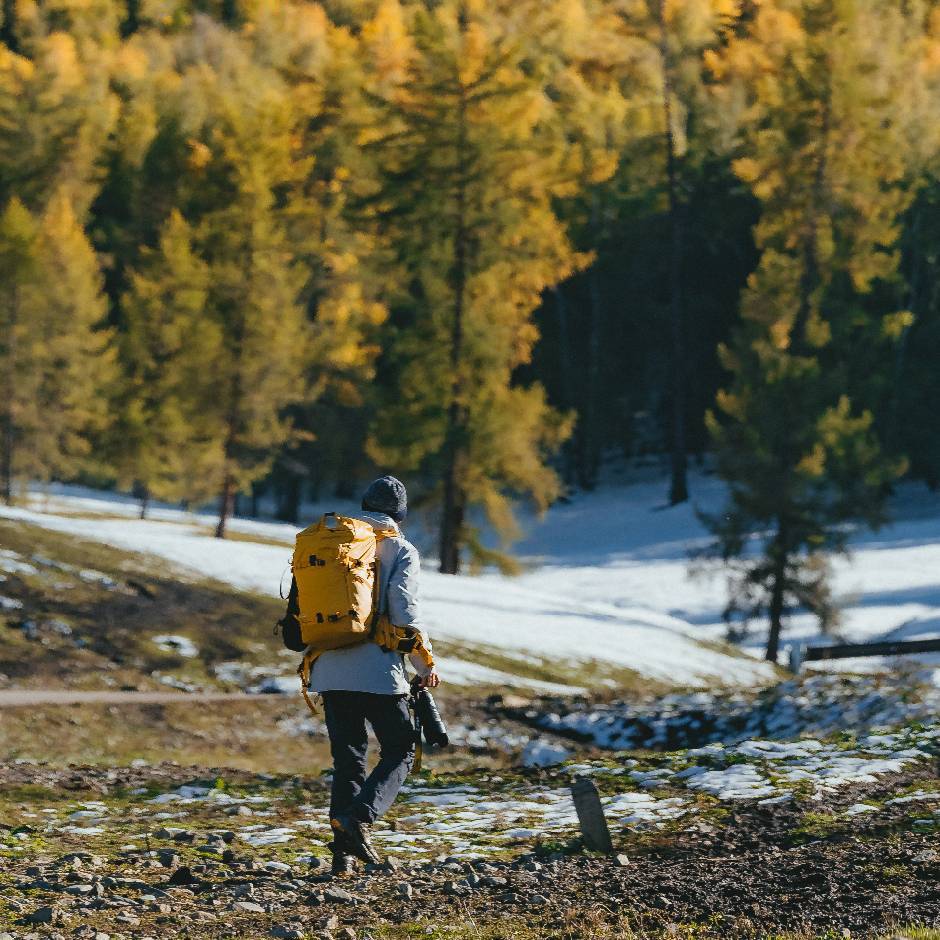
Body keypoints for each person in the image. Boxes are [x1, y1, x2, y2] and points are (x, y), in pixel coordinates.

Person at [297, 475, 440, 875]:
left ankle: (342, 855)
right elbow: (404, 613)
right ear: (400, 514)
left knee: (349, 760)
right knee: (400, 749)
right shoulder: (400, 549)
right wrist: (425, 664)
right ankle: (360, 819)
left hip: (328, 667)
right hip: (378, 672)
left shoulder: (331, 544)